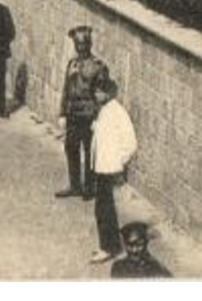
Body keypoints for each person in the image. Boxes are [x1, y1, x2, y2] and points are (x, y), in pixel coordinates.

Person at [57, 25, 110, 200]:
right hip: (73, 113)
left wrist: (97, 117)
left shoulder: (98, 66)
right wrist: (62, 113)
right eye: (77, 45)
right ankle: (74, 185)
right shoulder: (72, 63)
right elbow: (66, 90)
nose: (80, 48)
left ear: (89, 45)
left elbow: (102, 95)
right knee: (71, 148)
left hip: (87, 115)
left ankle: (89, 187)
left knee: (89, 151)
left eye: (83, 45)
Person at [89, 76, 137, 264]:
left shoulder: (117, 112)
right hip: (101, 167)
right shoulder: (105, 110)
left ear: (108, 93)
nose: (96, 94)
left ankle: (109, 247)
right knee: (102, 208)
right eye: (95, 91)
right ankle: (111, 245)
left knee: (104, 209)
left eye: (100, 91)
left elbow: (131, 143)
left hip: (108, 169)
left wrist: (119, 162)